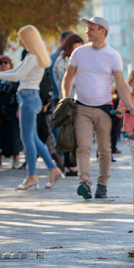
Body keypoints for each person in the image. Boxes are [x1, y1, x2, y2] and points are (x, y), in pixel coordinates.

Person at [62, 16, 134, 199]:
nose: (86, 31)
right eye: (87, 28)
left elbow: (120, 84)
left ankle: (102, 184)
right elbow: (68, 77)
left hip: (105, 109)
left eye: (91, 28)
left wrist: (130, 105)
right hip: (82, 108)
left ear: (102, 31)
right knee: (83, 147)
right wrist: (65, 100)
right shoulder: (79, 53)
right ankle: (84, 183)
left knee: (104, 149)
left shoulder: (113, 55)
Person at [0, 25, 63, 190]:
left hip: (28, 97)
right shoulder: (32, 56)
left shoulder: (33, 57)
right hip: (28, 97)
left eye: (22, 38)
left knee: (27, 139)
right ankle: (52, 168)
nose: (20, 42)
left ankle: (32, 175)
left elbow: (16, 76)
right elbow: (16, 71)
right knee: (32, 138)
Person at [51, 34, 84, 175]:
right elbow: (67, 81)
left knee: (72, 134)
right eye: (77, 45)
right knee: (70, 134)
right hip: (69, 100)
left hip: (73, 100)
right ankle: (72, 165)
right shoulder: (64, 60)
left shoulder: (64, 59)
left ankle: (72, 164)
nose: (80, 48)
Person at [0, 56, 21, 170]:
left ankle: (15, 159)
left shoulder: (15, 77)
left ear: (10, 64)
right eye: (0, 63)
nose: (3, 65)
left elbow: (18, 93)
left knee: (13, 134)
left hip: (11, 110)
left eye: (6, 62)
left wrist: (19, 109)